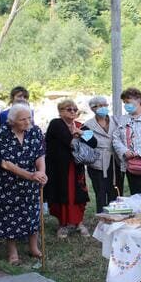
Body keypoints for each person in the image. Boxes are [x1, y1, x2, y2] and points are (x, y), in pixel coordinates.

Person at [0, 104, 47, 264]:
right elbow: (5, 163)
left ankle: (33, 247)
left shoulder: (35, 131)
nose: (27, 121)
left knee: (33, 213)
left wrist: (41, 172)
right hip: (7, 183)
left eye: (29, 117)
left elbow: (40, 154)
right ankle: (12, 252)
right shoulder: (0, 133)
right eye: (23, 119)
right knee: (10, 216)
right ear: (12, 121)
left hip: (32, 181)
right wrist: (30, 175)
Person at [45, 99, 97, 239]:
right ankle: (63, 225)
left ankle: (79, 222)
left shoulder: (80, 125)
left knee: (78, 195)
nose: (73, 112)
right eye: (69, 109)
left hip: (77, 167)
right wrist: (80, 135)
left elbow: (94, 142)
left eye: (75, 110)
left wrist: (79, 133)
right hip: (59, 169)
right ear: (61, 111)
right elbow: (68, 141)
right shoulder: (56, 124)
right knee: (62, 194)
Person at [83, 96, 122, 213]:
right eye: (99, 106)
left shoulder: (116, 121)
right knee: (100, 191)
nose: (103, 108)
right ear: (92, 108)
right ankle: (101, 217)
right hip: (97, 162)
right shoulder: (87, 125)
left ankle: (115, 215)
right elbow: (87, 144)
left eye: (105, 105)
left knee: (115, 190)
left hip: (115, 161)